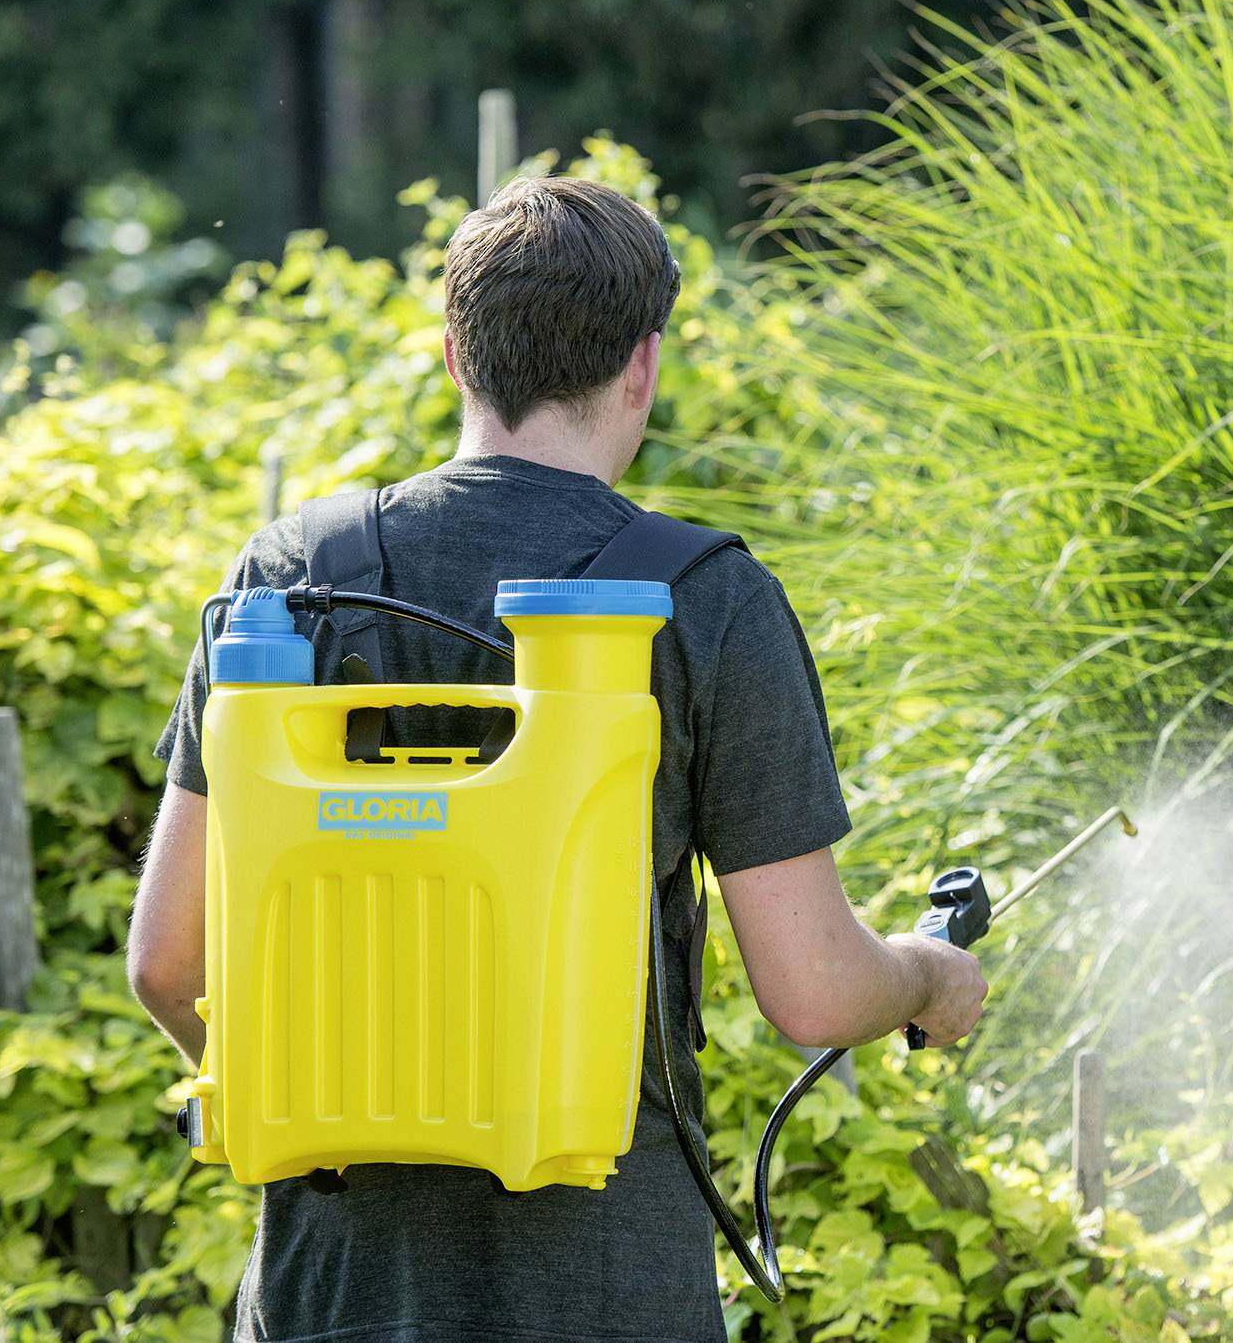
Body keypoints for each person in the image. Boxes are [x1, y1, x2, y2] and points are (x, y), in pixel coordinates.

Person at [127, 175, 990, 1343]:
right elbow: (816, 990)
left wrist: (288, 1086)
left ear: (451, 355)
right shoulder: (704, 598)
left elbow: (169, 962)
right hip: (604, 1286)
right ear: (642, 366)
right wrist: (931, 975)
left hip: (331, 1287)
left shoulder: (286, 572)